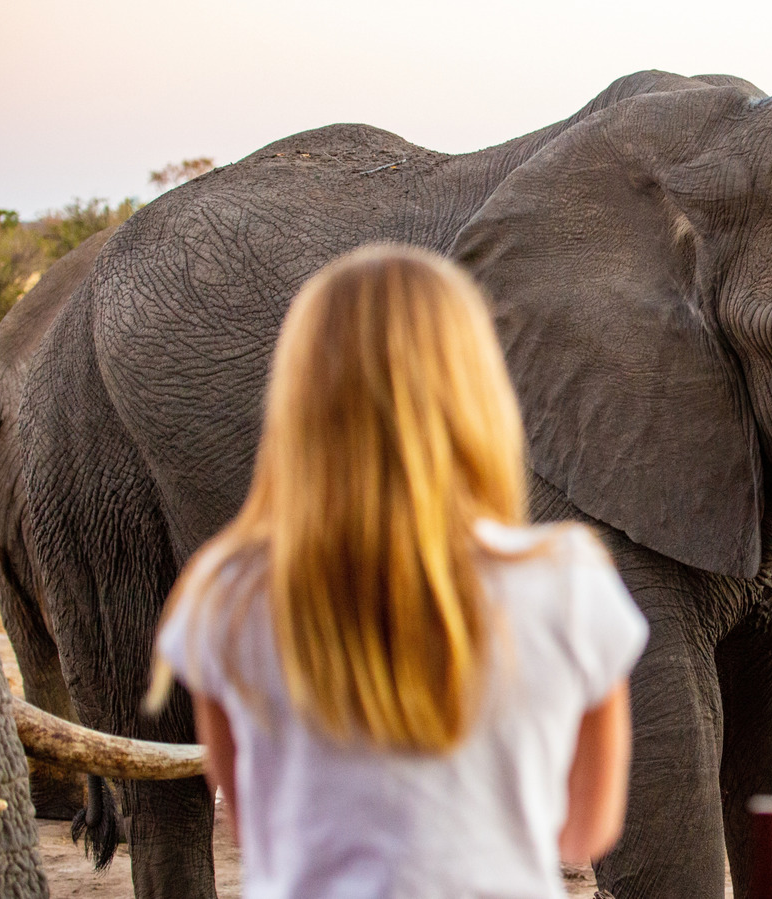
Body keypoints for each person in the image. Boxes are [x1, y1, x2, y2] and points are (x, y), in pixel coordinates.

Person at [145, 244, 647, 898]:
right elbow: (585, 829)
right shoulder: (570, 580)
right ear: (478, 387)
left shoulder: (224, 590)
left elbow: (253, 822)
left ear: (297, 394)